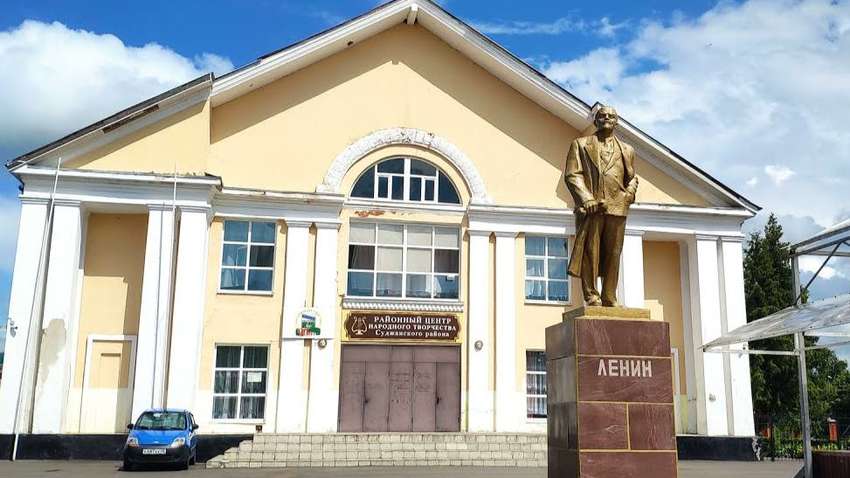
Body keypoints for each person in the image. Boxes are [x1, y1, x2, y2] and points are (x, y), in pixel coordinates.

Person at [564, 104, 638, 306]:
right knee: (591, 252)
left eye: (611, 116)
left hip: (618, 207)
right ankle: (591, 295)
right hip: (592, 207)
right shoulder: (580, 144)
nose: (607, 119)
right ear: (595, 120)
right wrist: (586, 198)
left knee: (614, 252)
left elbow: (632, 178)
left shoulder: (627, 150)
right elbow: (572, 175)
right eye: (602, 116)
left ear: (616, 121)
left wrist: (629, 194)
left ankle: (609, 295)